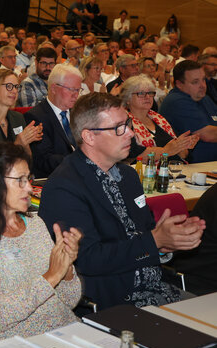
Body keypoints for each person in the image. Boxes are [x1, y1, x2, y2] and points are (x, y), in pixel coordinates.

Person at [40, 92, 206, 310]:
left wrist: (167, 243)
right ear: (89, 136)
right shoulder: (64, 187)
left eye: (128, 124)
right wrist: (155, 241)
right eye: (119, 127)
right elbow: (87, 259)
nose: (130, 134)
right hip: (112, 303)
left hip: (157, 288)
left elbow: (143, 235)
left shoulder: (127, 176)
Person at [0, 142, 81, 344]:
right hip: (14, 343)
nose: (30, 188)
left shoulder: (35, 224)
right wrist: (51, 276)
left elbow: (70, 300)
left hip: (63, 331)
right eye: (20, 181)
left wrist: (66, 270)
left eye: (28, 179)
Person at [121, 75, 198, 162]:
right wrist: (166, 151)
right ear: (127, 98)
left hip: (172, 171)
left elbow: (181, 154)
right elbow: (132, 156)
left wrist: (183, 146)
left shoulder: (159, 119)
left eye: (150, 93)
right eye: (141, 93)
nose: (147, 97)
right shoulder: (123, 122)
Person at [160, 60, 217, 162]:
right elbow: (207, 135)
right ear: (179, 84)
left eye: (203, 80)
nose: (202, 85)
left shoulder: (204, 98)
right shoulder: (176, 101)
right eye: (195, 82)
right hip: (190, 168)